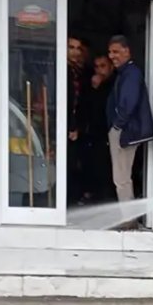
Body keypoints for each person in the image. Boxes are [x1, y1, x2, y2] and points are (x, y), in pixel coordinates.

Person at [106, 35, 153, 210]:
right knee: (122, 176)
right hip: (124, 129)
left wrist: (117, 125)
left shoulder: (131, 73)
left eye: (116, 51)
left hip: (124, 130)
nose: (112, 56)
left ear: (127, 51)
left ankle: (128, 218)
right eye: (110, 52)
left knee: (121, 177)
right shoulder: (126, 72)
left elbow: (128, 102)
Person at [84, 54, 116, 202]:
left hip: (111, 131)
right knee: (96, 164)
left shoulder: (115, 83)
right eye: (96, 67)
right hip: (96, 132)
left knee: (109, 167)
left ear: (111, 66)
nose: (99, 70)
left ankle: (107, 198)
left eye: (103, 66)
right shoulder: (95, 84)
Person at [66, 36, 90, 205]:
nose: (75, 52)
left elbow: (81, 102)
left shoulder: (81, 72)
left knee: (76, 161)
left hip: (77, 125)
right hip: (65, 123)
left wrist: (77, 126)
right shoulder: (62, 69)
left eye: (78, 48)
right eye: (71, 47)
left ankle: (72, 198)